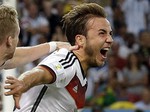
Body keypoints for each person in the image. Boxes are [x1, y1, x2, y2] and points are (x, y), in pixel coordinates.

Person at [4, 3, 113, 111]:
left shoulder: (82, 79)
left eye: (110, 34)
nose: (110, 39)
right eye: (102, 33)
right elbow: (40, 73)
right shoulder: (67, 59)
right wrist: (23, 82)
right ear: (80, 40)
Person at [0, 4, 78, 70]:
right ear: (9, 40)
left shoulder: (3, 56)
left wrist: (55, 45)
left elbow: (19, 56)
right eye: (17, 36)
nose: (17, 41)